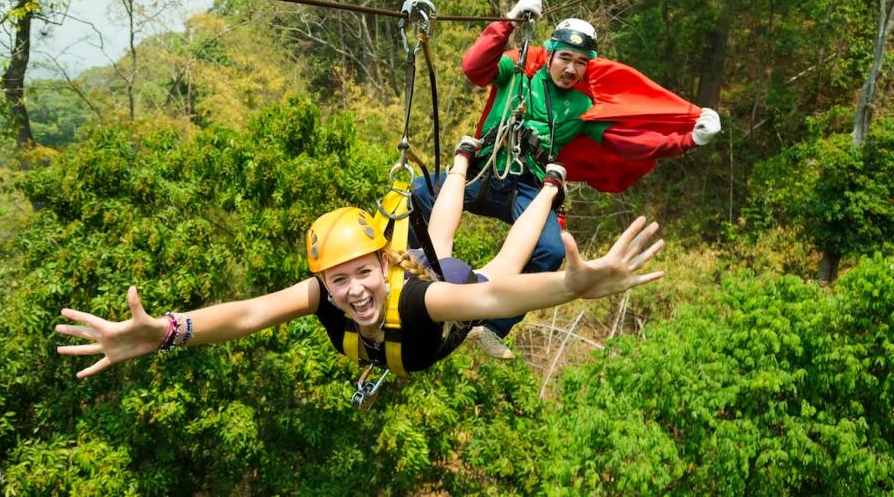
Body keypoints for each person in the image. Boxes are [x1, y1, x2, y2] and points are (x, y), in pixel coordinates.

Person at [55, 143, 665, 379]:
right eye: (338, 280)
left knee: (495, 264)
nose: (353, 292)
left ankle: (553, 187)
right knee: (443, 244)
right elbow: (246, 314)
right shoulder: (324, 294)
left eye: (363, 274)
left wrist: (570, 286)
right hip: (418, 287)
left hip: (443, 301)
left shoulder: (422, 299)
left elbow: (493, 300)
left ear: (384, 265)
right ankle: (459, 160)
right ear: (322, 280)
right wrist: (165, 332)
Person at [410, 0, 721, 359]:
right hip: (486, 171)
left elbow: (631, 143)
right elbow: (474, 67)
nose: (571, 69)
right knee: (418, 194)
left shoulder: (582, 107)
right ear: (551, 54)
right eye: (565, 58)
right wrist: (508, 22)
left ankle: (491, 326)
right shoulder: (517, 70)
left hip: (528, 187)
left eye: (581, 63)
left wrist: (688, 139)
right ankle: (412, 273)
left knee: (551, 249)